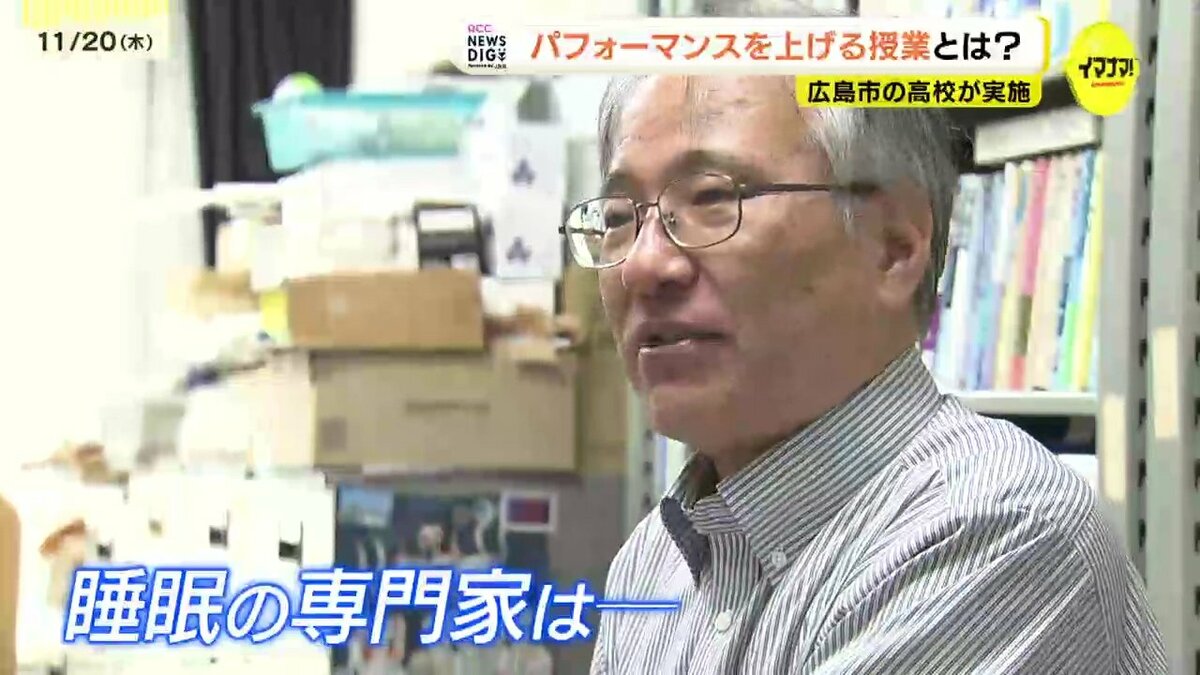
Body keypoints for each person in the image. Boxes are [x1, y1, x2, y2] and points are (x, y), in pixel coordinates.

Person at [570, 2, 1168, 673]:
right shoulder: (654, 560)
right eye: (618, 217)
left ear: (895, 246)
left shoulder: (996, 529)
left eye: (713, 198)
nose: (644, 264)